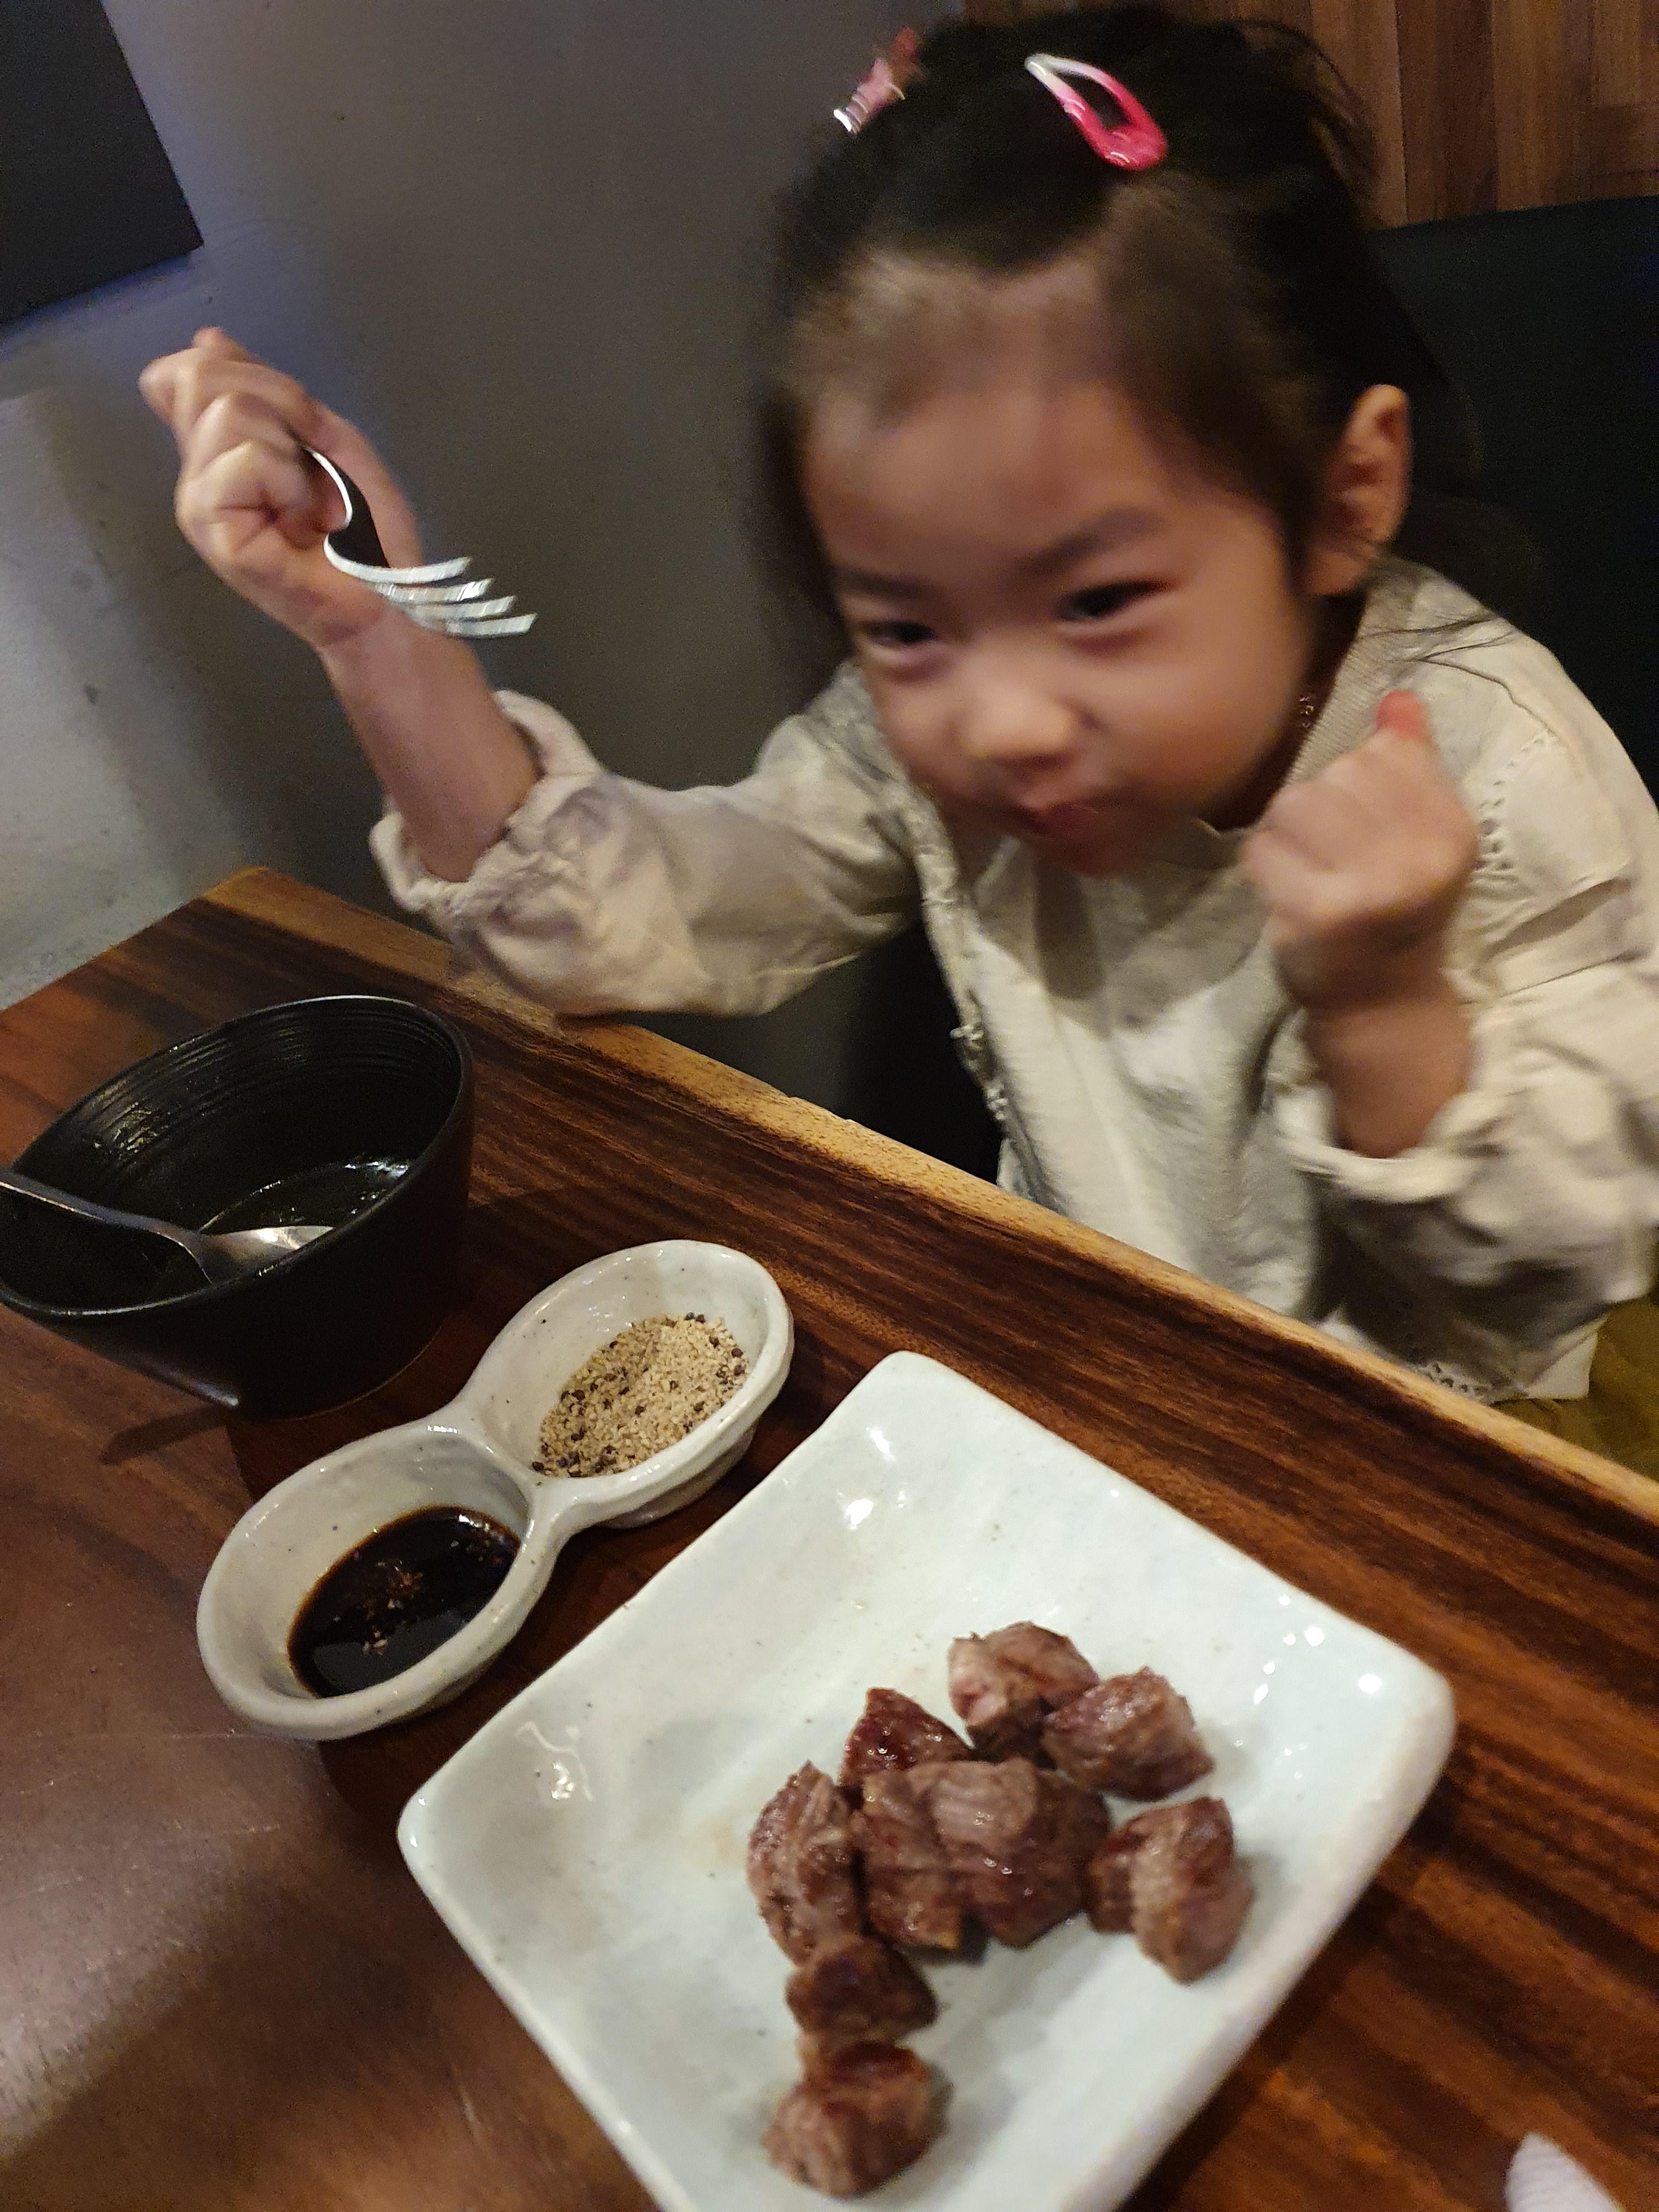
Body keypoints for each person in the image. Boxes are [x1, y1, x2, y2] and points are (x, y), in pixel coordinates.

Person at [140, 3, 1659, 1407]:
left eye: (1098, 602)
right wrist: (377, 632)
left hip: (1400, 1457)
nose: (1000, 725)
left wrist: (1389, 1011)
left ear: (1344, 498)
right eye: (906, 622)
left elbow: (1560, 1270)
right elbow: (635, 921)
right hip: (1078, 1368)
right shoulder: (910, 742)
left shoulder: (1497, 773)